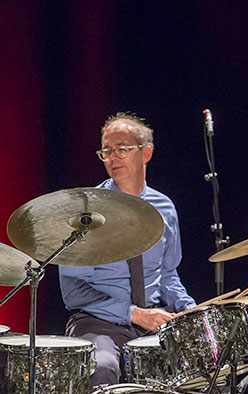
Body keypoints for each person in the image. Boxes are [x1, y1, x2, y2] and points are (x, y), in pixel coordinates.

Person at [59, 112, 196, 389]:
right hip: (98, 323)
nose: (113, 157)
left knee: (212, 364)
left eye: (122, 149)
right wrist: (133, 313)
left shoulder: (165, 207)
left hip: (155, 320)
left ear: (146, 153)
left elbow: (168, 275)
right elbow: (74, 291)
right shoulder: (85, 213)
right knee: (103, 366)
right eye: (106, 151)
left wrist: (189, 309)